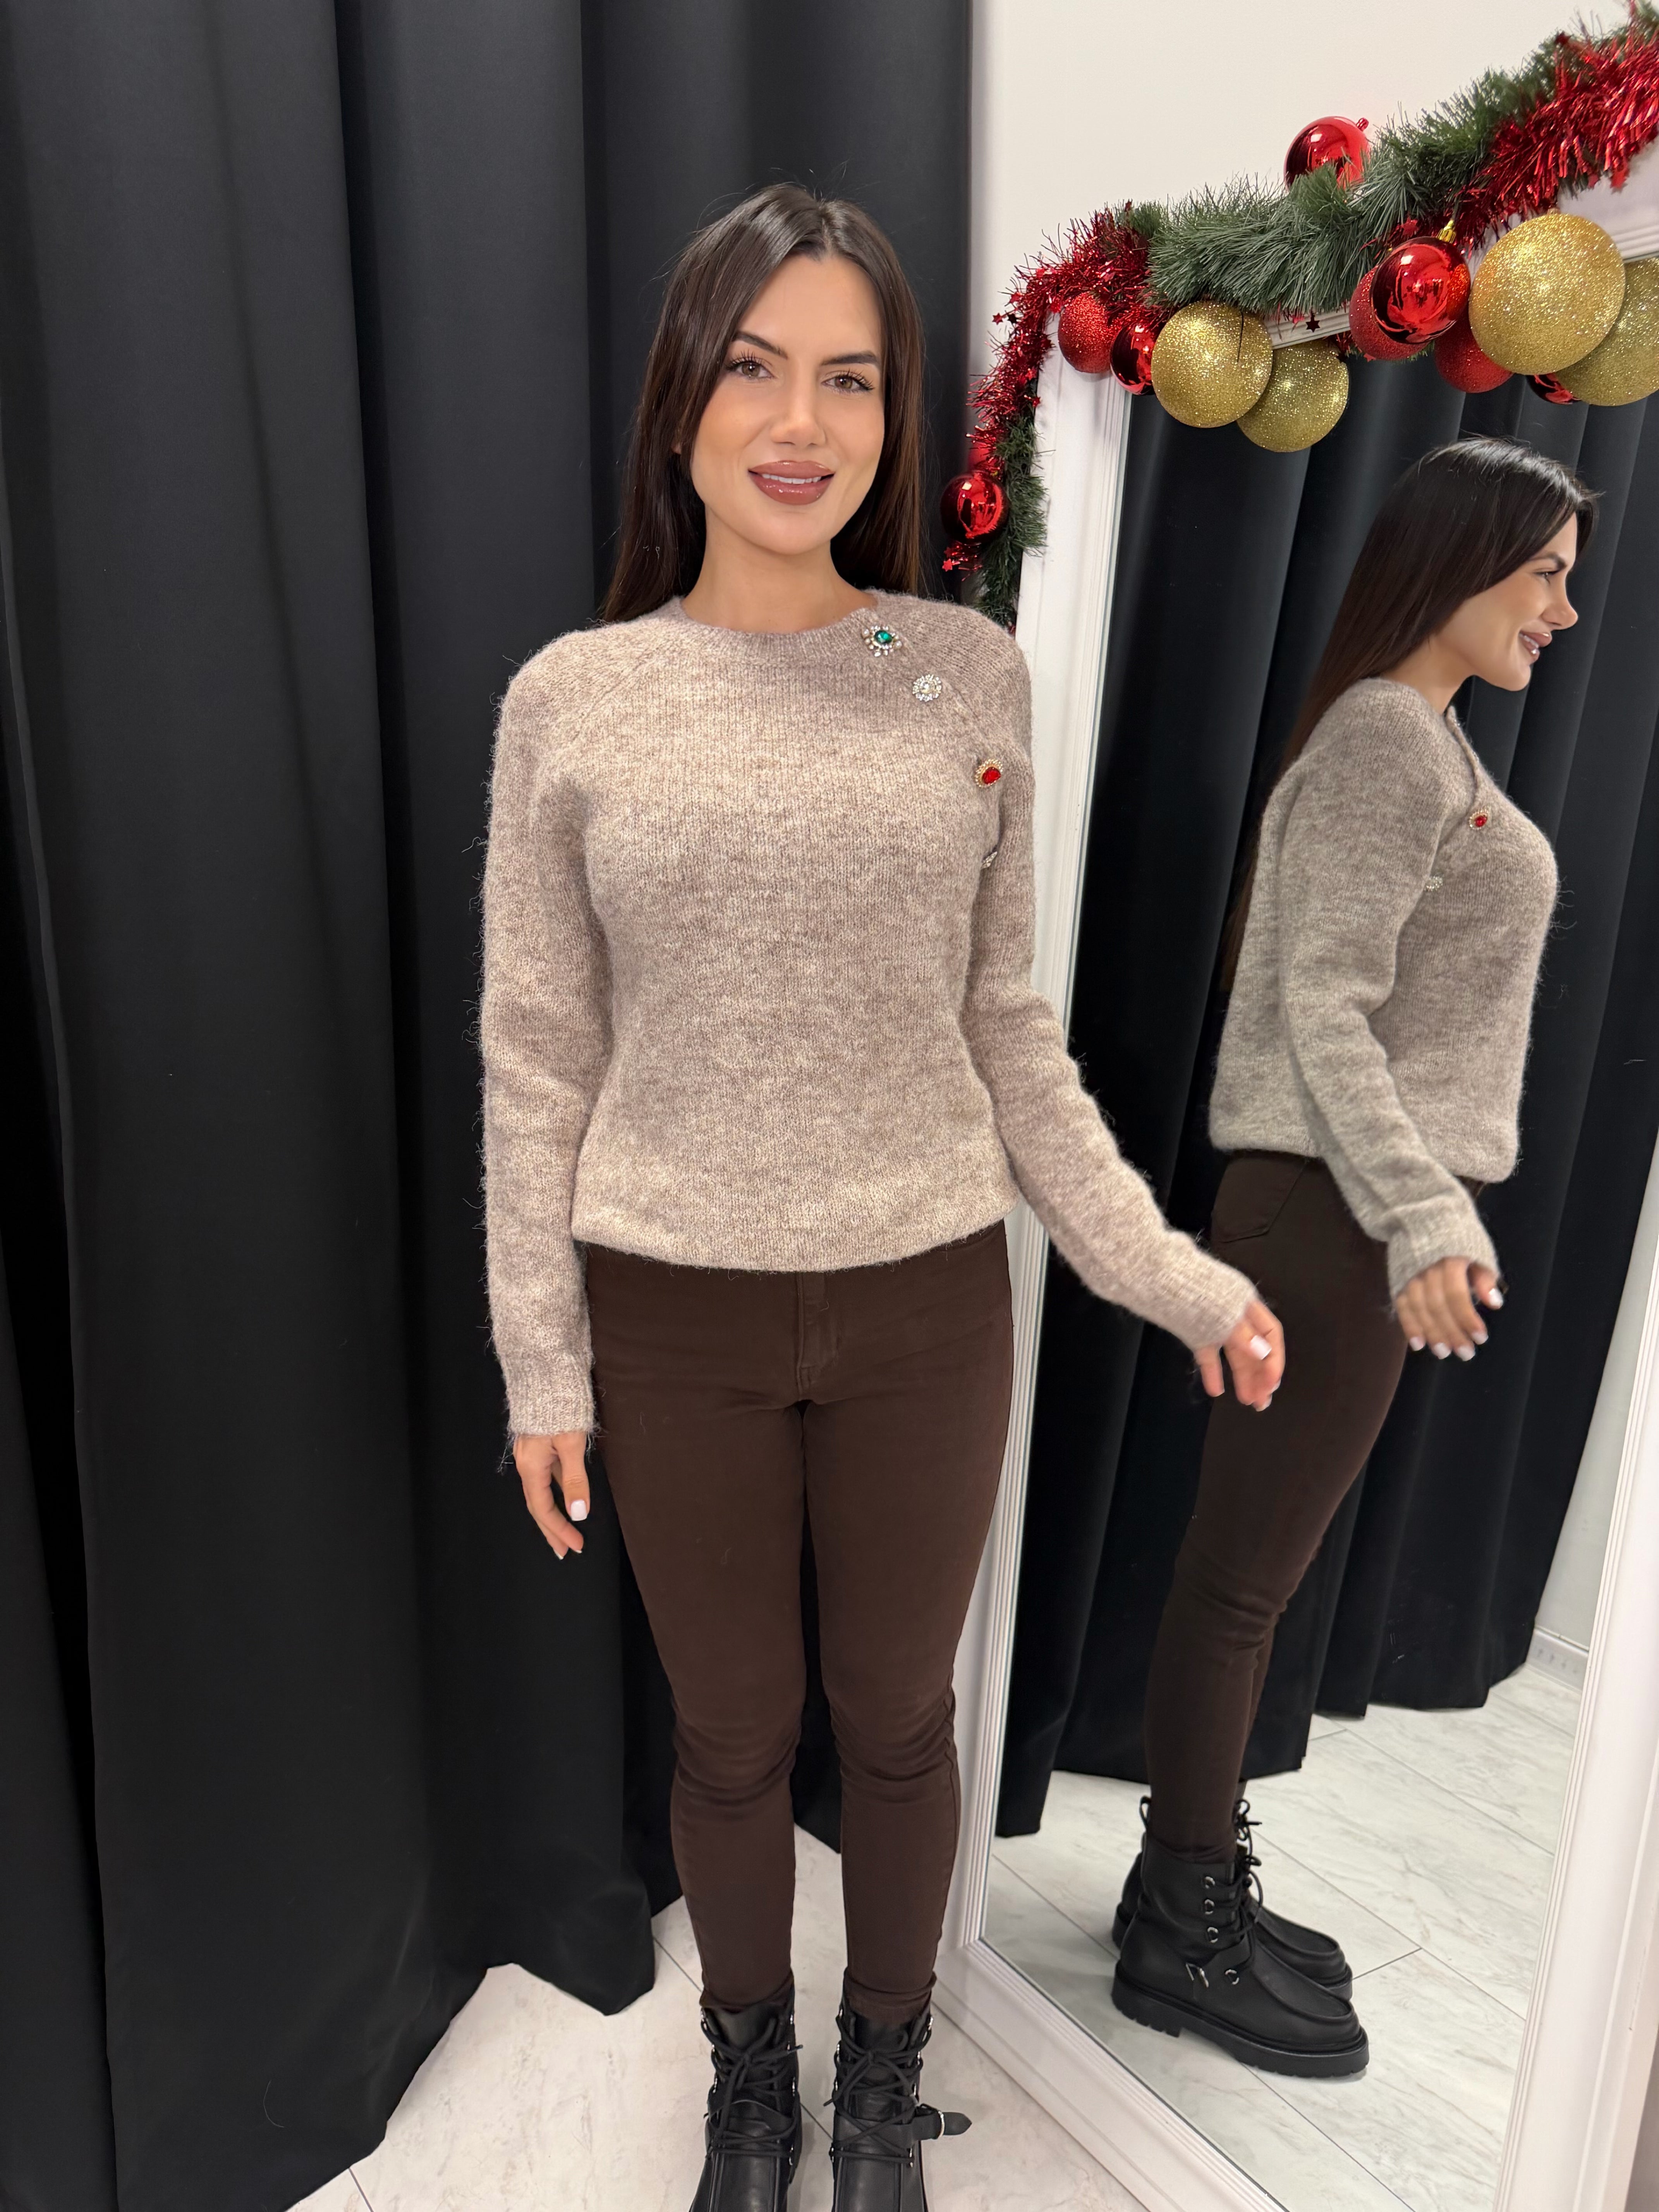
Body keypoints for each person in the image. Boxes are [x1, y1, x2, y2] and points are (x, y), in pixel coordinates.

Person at [479, 183, 1282, 2211]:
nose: (799, 420)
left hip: (927, 1301)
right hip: (674, 1312)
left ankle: (880, 2083)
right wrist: (540, 1364)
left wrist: (1168, 1270)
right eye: (754, 366)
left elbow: (1007, 1031)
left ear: (893, 416)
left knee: (901, 1721)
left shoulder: (964, 677)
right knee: (732, 1734)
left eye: (848, 378)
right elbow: (537, 1060)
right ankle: (749, 2082)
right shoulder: (573, 700)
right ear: (681, 393)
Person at [1111, 437, 1595, 2081]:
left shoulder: (1420, 735)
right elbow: (1325, 1008)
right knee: (1241, 1578)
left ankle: (1184, 1880)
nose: (1564, 611)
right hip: (1328, 1214)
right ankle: (1179, 1928)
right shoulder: (1389, 738)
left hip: (1337, 1212)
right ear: (1456, 560)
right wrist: (1424, 1214)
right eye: (1543, 573)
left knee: (1254, 1571)